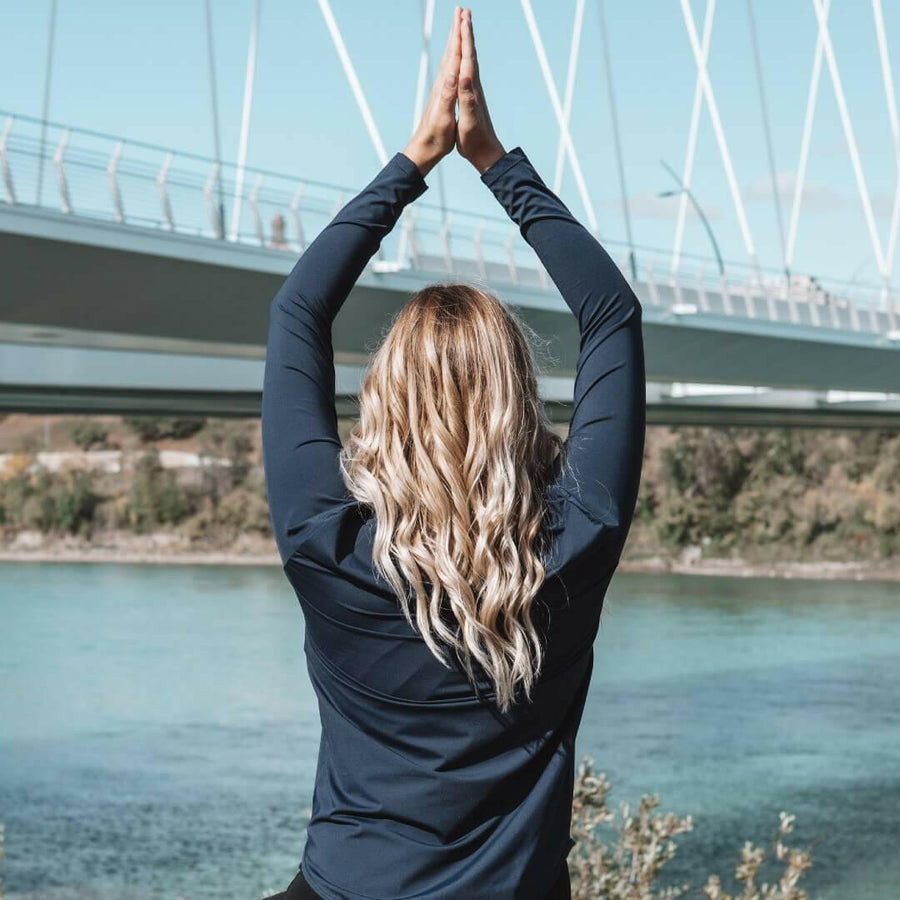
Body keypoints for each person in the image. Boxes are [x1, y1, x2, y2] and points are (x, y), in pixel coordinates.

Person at [260, 6, 645, 899]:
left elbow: (297, 315)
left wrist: (416, 160)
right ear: (519, 404)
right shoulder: (576, 543)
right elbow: (611, 315)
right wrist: (495, 163)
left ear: (386, 404)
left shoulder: (326, 547)